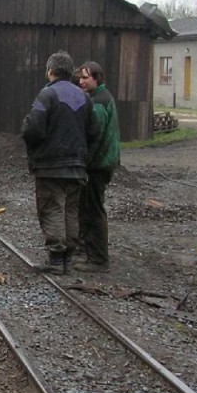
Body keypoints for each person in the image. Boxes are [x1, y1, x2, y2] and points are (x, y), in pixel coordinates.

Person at [22, 51, 100, 275]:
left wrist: (29, 135)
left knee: (52, 208)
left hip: (50, 165)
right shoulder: (84, 97)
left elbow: (34, 128)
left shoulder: (47, 95)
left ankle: (56, 259)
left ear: (50, 71)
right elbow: (94, 131)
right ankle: (68, 256)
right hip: (77, 166)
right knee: (71, 210)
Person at [75, 61, 121, 273]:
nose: (81, 81)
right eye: (80, 77)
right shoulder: (100, 98)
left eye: (86, 77)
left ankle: (99, 259)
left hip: (97, 164)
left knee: (93, 210)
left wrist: (83, 163)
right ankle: (86, 249)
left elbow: (95, 136)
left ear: (97, 78)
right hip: (101, 162)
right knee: (86, 208)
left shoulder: (99, 102)